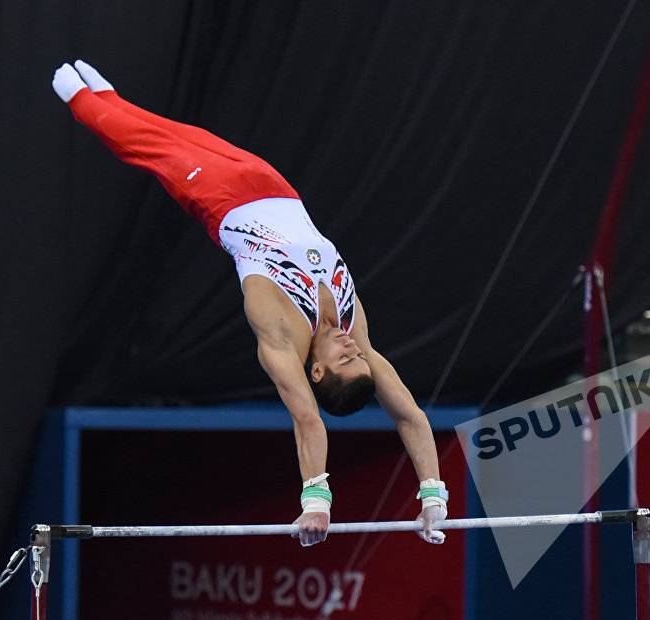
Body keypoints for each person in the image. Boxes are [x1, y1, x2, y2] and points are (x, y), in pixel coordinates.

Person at [52, 61, 448, 547]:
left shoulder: (280, 338)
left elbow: (307, 419)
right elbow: (410, 415)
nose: (352, 345)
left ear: (318, 372)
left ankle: (81, 101)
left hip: (220, 199)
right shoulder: (353, 327)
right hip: (277, 189)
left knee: (151, 149)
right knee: (185, 133)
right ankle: (109, 98)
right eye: (358, 354)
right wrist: (433, 494)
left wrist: (316, 501)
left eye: (346, 357)